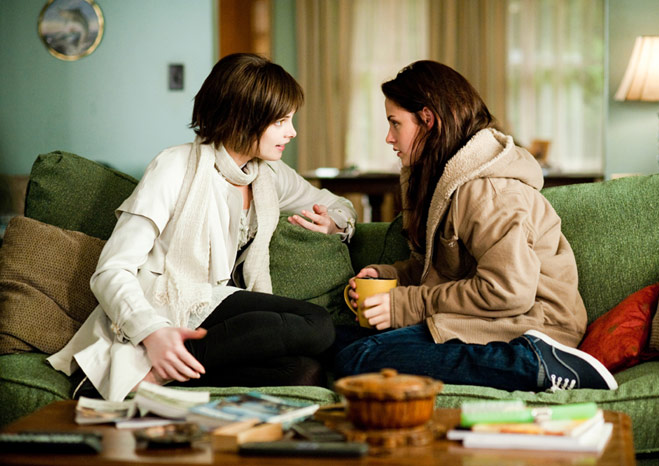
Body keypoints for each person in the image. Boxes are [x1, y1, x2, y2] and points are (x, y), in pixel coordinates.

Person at [48, 53, 357, 402]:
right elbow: (111, 270)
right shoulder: (174, 166)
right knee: (317, 323)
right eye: (281, 121)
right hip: (169, 308)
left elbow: (339, 205)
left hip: (217, 322)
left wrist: (334, 222)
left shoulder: (268, 175)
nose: (292, 132)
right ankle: (150, 369)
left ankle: (160, 376)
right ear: (243, 117)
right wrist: (151, 332)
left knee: (305, 373)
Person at [334, 60, 617, 392]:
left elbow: (508, 291)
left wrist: (404, 305)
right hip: (484, 318)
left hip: (532, 328)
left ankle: (539, 365)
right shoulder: (444, 183)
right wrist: (390, 278)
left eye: (395, 123)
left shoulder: (489, 191)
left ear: (428, 120)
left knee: (359, 359)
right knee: (334, 342)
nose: (388, 137)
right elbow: (447, 271)